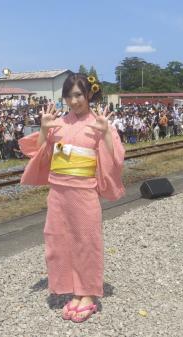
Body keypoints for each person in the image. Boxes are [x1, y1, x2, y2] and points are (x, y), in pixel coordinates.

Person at [18, 73, 125, 323]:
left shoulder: (99, 123)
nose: (73, 100)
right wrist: (44, 130)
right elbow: (39, 151)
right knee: (59, 241)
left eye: (78, 94)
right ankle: (72, 290)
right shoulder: (59, 123)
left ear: (88, 94)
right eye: (69, 95)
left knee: (86, 241)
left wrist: (106, 133)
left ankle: (86, 293)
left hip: (84, 191)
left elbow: (116, 157)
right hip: (58, 192)